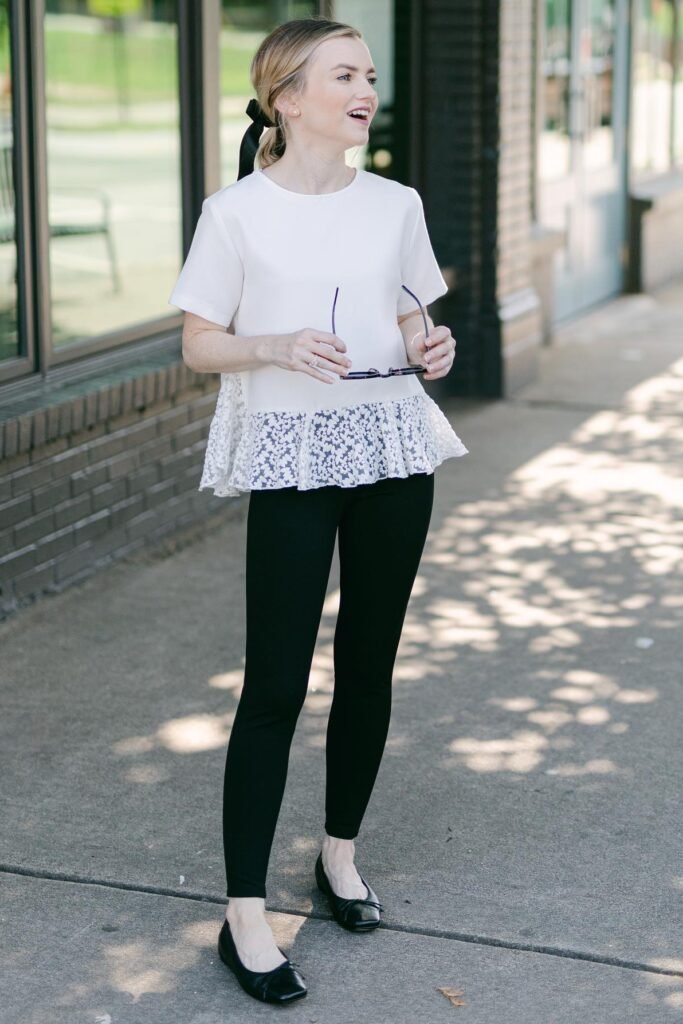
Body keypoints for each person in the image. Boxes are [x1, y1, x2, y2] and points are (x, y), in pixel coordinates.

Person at [168, 15, 468, 1006]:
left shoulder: (394, 203)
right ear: (286, 97)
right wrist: (274, 344)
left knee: (369, 662)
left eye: (369, 74)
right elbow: (199, 342)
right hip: (292, 456)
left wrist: (432, 345)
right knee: (274, 683)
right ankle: (244, 915)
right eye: (344, 74)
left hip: (390, 447)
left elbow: (412, 311)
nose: (366, 88)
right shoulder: (235, 211)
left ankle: (338, 857)